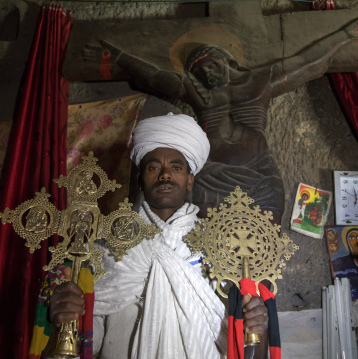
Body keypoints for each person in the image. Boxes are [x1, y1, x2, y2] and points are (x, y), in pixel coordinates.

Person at [85, 15, 358, 223]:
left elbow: (310, 63)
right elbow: (154, 76)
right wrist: (119, 57)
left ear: (228, 60)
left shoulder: (261, 82)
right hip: (208, 176)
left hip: (258, 175)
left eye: (210, 62)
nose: (206, 71)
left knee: (263, 243)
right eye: (197, 68)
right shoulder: (196, 90)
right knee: (202, 247)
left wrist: (347, 36)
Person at [47, 113, 269, 358]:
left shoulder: (217, 247)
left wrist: (255, 327)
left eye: (176, 167)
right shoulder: (107, 246)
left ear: (189, 180)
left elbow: (238, 341)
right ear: (141, 180)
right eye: (154, 167)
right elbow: (91, 339)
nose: (165, 175)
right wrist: (67, 322)